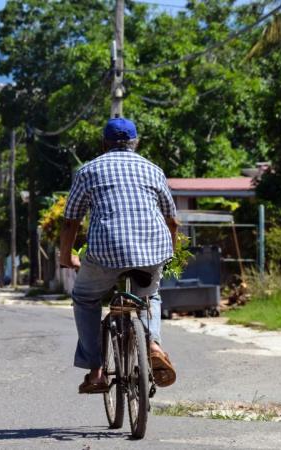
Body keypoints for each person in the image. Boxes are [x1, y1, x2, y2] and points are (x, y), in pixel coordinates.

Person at [60, 117, 178, 394]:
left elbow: (70, 221)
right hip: (152, 249)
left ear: (104, 143)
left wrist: (66, 256)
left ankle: (97, 370)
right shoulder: (153, 170)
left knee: (85, 298)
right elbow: (172, 220)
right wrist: (169, 254)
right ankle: (153, 345)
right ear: (136, 143)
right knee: (150, 296)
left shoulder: (89, 170)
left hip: (105, 252)